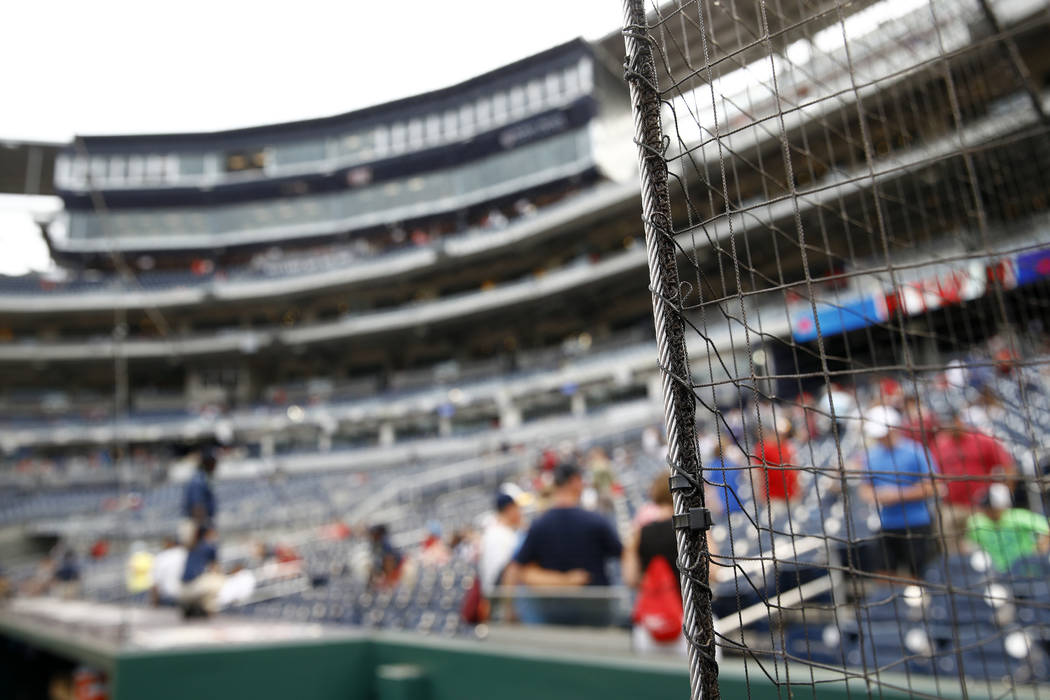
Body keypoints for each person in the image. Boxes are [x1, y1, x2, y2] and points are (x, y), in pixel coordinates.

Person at [859, 406, 938, 578]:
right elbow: (864, 489)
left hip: (916, 523)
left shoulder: (916, 451)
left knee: (920, 574)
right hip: (885, 524)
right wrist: (879, 496)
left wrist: (896, 495)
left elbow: (932, 486)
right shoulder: (871, 456)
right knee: (885, 575)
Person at [514, 462, 623, 587]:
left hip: (556, 604)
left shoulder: (539, 525)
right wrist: (566, 580)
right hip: (595, 603)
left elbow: (521, 570)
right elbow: (624, 556)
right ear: (575, 481)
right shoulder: (595, 521)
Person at [929, 409, 1016, 553]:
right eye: (946, 423)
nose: (950, 426)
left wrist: (1004, 495)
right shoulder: (939, 444)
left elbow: (1008, 467)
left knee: (983, 548)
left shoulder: (982, 440)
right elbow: (932, 473)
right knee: (950, 546)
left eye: (952, 421)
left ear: (960, 420)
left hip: (981, 506)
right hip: (951, 506)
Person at [966, 483, 1050, 572]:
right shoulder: (976, 522)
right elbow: (969, 543)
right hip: (995, 571)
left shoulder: (1018, 517)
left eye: (990, 507)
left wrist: (1040, 547)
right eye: (986, 507)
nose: (987, 511)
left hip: (1024, 567)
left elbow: (1047, 527)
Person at [479, 493, 524, 596]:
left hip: (495, 594)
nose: (521, 513)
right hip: (500, 597)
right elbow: (502, 574)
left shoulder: (492, 532)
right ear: (510, 509)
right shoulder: (501, 536)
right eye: (518, 508)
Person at [752, 417, 799, 504]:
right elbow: (758, 473)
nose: (782, 435)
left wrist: (798, 488)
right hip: (773, 497)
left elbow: (794, 469)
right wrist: (760, 495)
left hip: (790, 495)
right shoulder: (763, 448)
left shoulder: (786, 445)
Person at [179, 526, 223, 617]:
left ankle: (194, 606)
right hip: (194, 587)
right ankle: (208, 609)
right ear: (208, 533)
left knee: (206, 580)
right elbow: (216, 568)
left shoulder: (193, 546)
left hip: (181, 588)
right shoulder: (209, 546)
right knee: (219, 580)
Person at [180, 449, 218, 546]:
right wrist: (204, 527)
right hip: (197, 525)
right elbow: (197, 506)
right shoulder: (199, 480)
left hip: (198, 524)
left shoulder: (202, 478)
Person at [152, 537, 187, 606]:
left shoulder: (162, 557)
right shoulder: (187, 554)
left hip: (167, 599)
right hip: (186, 598)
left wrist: (154, 604)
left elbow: (155, 584)